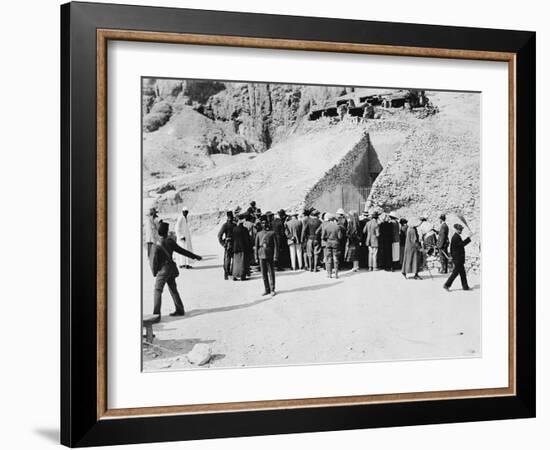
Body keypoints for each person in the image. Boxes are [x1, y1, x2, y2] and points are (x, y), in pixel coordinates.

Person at [150, 221, 202, 319]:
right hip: (171, 269)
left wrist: (155, 272)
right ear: (166, 232)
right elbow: (182, 251)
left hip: (162, 270)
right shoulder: (170, 241)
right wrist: (195, 256)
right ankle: (180, 310)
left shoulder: (156, 244)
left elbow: (153, 261)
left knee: (158, 290)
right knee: (173, 289)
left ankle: (156, 315)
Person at [443, 223, 472, 291]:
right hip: (458, 259)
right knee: (455, 273)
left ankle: (465, 287)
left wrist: (452, 256)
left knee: (462, 273)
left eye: (461, 229)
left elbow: (452, 249)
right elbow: (462, 244)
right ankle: (446, 285)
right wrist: (469, 237)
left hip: (458, 258)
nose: (461, 231)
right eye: (460, 230)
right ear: (456, 230)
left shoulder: (456, 236)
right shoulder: (455, 237)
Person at [255, 216, 279, 296]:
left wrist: (275, 255)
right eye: (262, 223)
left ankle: (272, 289)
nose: (264, 224)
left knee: (271, 272)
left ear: (268, 223)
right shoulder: (258, 234)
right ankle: (266, 289)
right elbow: (256, 246)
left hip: (269, 254)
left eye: (265, 223)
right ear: (261, 224)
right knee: (263, 273)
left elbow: (276, 245)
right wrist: (256, 256)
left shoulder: (272, 233)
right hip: (261, 254)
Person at [321, 214, 343, 278]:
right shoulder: (337, 227)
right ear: (334, 220)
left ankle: (329, 274)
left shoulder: (326, 227)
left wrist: (327, 240)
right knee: (335, 258)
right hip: (336, 243)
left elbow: (322, 237)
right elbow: (340, 237)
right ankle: (336, 274)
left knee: (329, 258)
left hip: (328, 243)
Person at [231, 214, 251, 281]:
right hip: (243, 247)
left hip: (235, 247)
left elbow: (233, 239)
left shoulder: (234, 229)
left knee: (236, 262)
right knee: (242, 262)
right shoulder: (245, 229)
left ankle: (234, 275)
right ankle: (242, 276)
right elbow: (247, 240)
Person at [217, 211, 236, 280]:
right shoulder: (227, 225)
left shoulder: (231, 225)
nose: (230, 218)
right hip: (229, 244)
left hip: (231, 243)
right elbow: (219, 235)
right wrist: (223, 243)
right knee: (228, 259)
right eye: (229, 217)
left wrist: (223, 243)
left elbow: (219, 235)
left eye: (231, 217)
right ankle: (227, 273)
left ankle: (229, 273)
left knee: (230, 259)